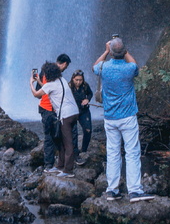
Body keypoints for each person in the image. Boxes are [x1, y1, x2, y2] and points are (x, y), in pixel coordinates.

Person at [92, 37, 154, 202]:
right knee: (132, 153)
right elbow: (135, 65)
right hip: (127, 117)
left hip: (110, 117)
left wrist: (106, 51)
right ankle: (134, 190)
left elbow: (94, 66)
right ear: (125, 51)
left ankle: (112, 190)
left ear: (111, 52)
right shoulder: (129, 69)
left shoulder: (103, 67)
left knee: (112, 153)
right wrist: (124, 51)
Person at [30, 61, 78, 175]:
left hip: (66, 115)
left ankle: (68, 170)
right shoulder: (62, 80)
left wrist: (31, 83)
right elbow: (48, 88)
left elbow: (36, 94)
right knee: (61, 140)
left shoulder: (50, 85)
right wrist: (39, 82)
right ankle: (60, 166)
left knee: (67, 143)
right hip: (74, 112)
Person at [69, 69, 93, 162]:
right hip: (72, 111)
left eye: (80, 80)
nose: (78, 82)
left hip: (84, 111)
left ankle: (84, 150)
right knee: (74, 133)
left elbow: (90, 94)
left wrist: (87, 100)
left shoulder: (85, 86)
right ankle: (75, 153)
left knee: (88, 130)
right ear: (73, 79)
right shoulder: (69, 86)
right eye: (77, 80)